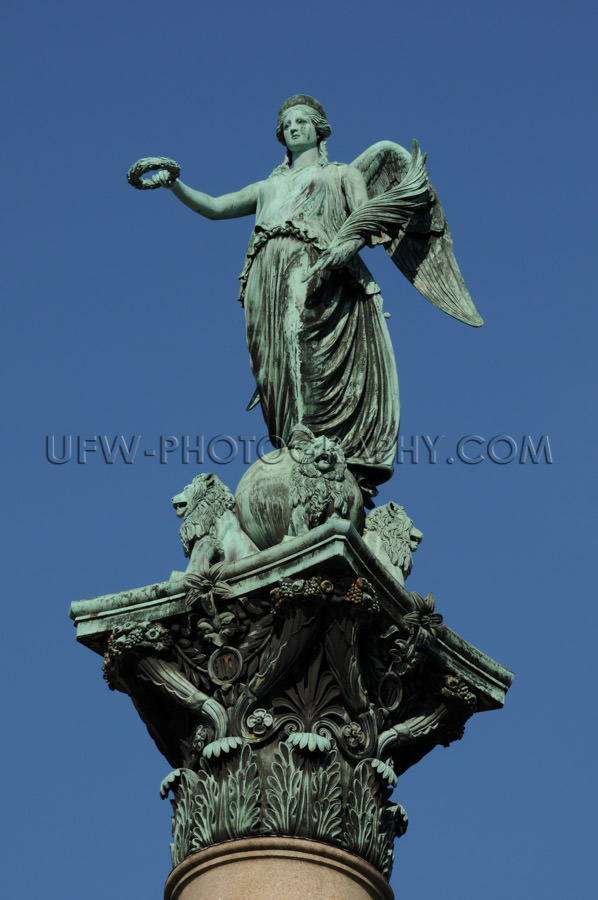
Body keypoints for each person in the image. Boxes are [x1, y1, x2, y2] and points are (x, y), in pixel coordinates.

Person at [153, 95, 401, 501]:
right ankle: (289, 433)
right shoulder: (268, 186)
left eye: (301, 121)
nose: (293, 128)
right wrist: (174, 184)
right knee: (273, 357)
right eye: (287, 124)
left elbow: (367, 220)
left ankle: (309, 430)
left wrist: (348, 245)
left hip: (314, 263)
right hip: (263, 277)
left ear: (319, 129)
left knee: (300, 336)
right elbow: (215, 207)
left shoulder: (342, 174)